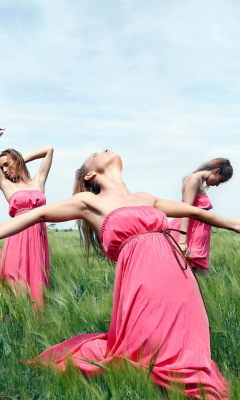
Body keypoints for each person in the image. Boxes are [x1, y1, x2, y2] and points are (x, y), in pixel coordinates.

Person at [0, 149, 236, 399]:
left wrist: (234, 224)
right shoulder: (88, 202)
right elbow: (37, 214)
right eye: (95, 153)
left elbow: (196, 212)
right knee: (147, 343)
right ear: (91, 174)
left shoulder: (144, 197)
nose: (102, 150)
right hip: (141, 275)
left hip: (178, 273)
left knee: (184, 340)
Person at [0, 133, 54, 307]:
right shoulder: (8, 185)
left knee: (37, 282)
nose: (5, 170)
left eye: (7, 164)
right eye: (2, 168)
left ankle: (36, 325)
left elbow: (49, 150)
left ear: (17, 160)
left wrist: (22, 160)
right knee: (15, 280)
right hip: (18, 235)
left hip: (38, 237)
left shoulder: (39, 180)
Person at [170, 158, 233, 270]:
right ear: (216, 171)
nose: (218, 185)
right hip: (191, 234)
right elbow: (186, 210)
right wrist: (182, 241)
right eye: (221, 180)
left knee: (198, 277)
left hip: (197, 236)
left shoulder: (197, 180)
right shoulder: (194, 179)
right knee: (195, 275)